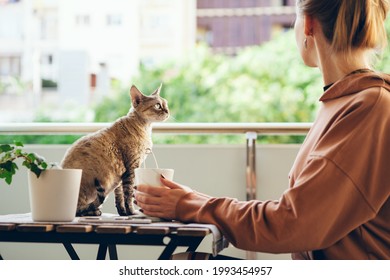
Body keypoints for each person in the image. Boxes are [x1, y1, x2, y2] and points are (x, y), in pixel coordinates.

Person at [135, 0, 390, 260]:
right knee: (182, 263)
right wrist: (190, 199)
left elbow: (291, 223)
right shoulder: (344, 102)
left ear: (309, 25)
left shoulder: (368, 109)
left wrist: (189, 205)